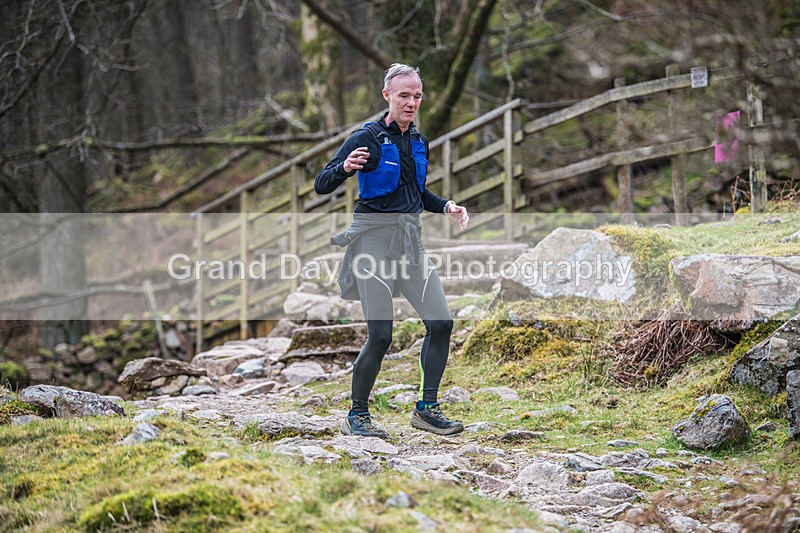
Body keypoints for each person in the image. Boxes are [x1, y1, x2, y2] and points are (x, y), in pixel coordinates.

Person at [314, 63, 469, 439]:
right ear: (387, 96)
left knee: (441, 323)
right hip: (372, 246)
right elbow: (321, 183)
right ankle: (358, 414)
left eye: (417, 96)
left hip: (410, 244)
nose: (411, 102)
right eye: (404, 95)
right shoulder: (364, 137)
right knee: (381, 335)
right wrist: (345, 169)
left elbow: (417, 195)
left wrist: (445, 206)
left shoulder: (419, 140)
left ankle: (427, 409)